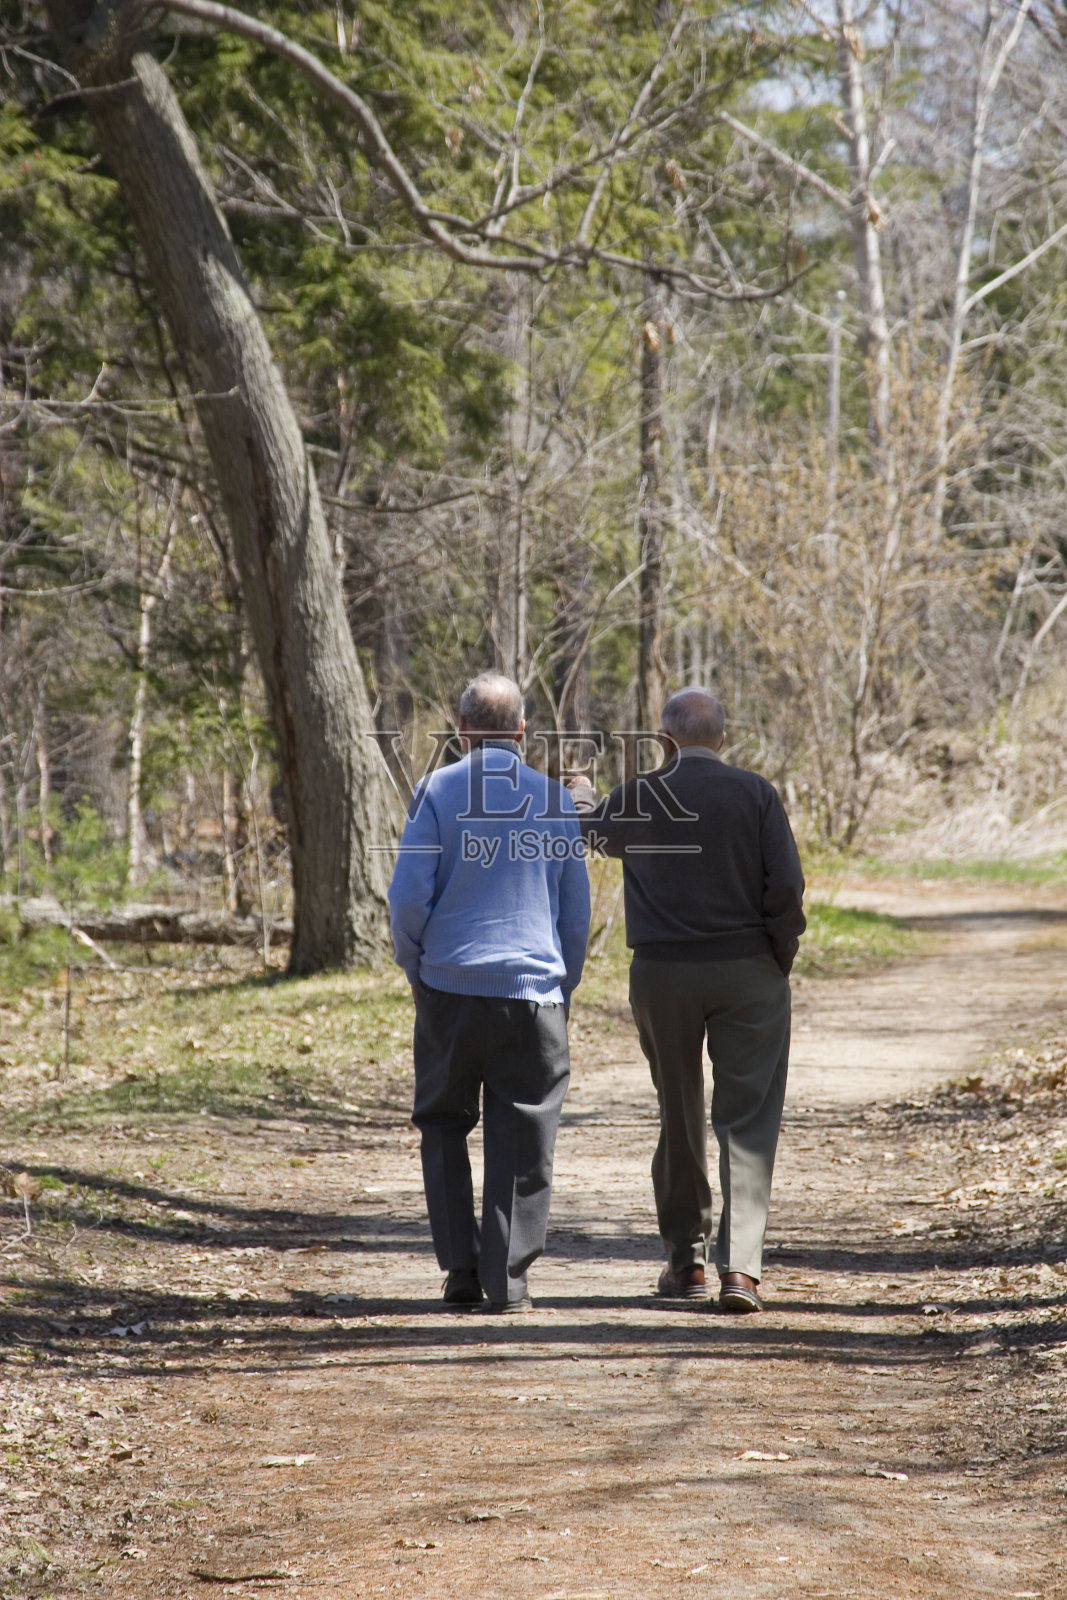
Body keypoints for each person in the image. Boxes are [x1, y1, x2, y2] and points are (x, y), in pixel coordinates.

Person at [568, 689, 804, 1313]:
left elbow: (594, 834)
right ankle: (742, 1272)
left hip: (663, 974)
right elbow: (786, 887)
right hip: (747, 971)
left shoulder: (641, 795)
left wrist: (584, 797)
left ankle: (685, 1263)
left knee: (679, 1113)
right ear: (722, 738)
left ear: (665, 739)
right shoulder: (755, 794)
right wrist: (777, 958)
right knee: (747, 1120)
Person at [388, 672, 590, 1313]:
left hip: (449, 988)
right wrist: (566, 981)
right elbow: (574, 911)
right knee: (524, 1132)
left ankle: (460, 1272)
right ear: (523, 732)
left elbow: (407, 898)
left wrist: (415, 967)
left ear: (460, 730)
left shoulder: (436, 791)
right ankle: (508, 1280)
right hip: (533, 993)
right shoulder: (554, 799)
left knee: (445, 1126)